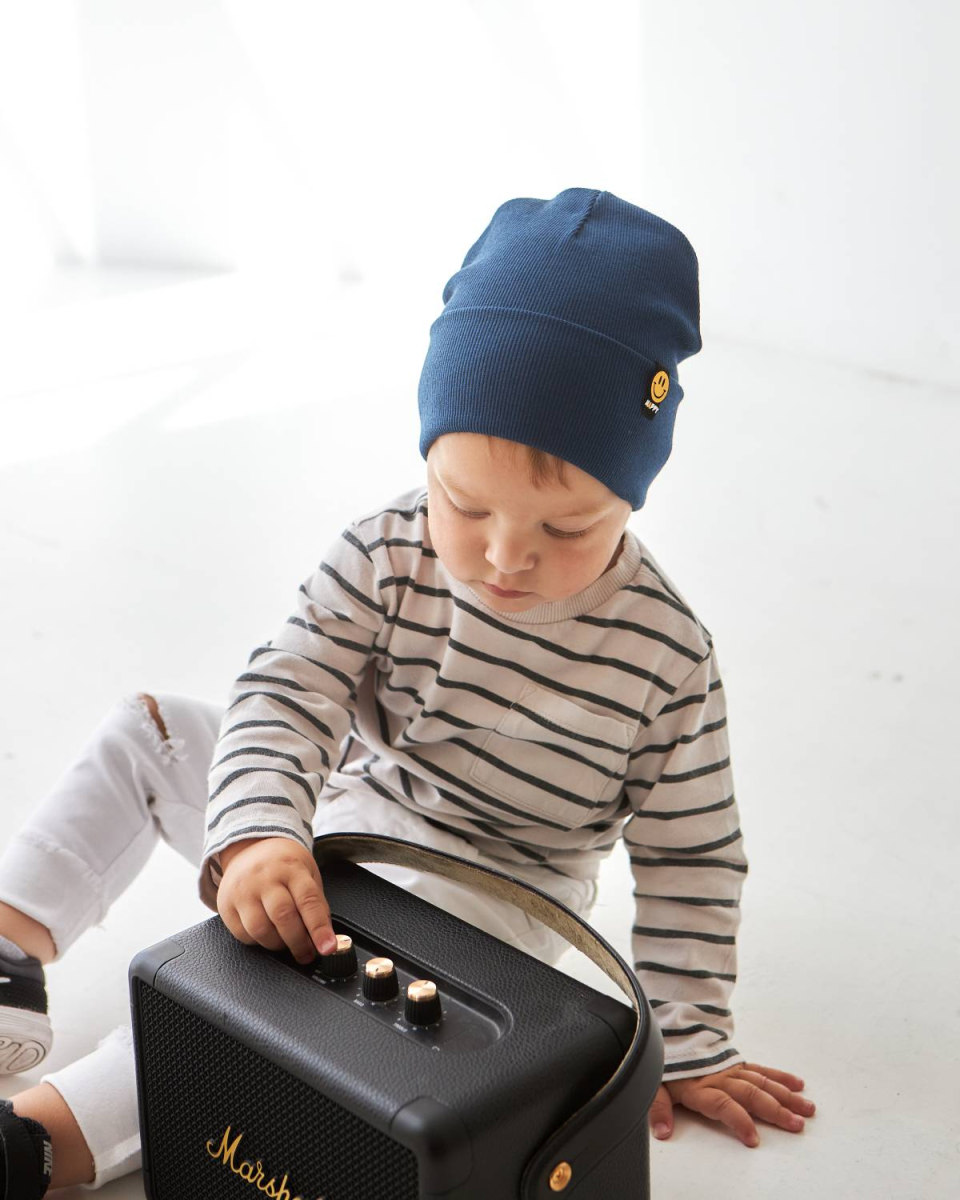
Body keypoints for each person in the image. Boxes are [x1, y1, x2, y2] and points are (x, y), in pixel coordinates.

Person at [0, 188, 815, 1196]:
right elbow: (290, 685)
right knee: (151, 732)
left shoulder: (665, 654)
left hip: (481, 894)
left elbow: (692, 853)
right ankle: (12, 942)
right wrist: (260, 830)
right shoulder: (388, 549)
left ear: (633, 494)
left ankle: (43, 1140)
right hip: (348, 799)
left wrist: (684, 1044)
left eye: (567, 529)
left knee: (275, 995)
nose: (506, 557)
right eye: (465, 505)